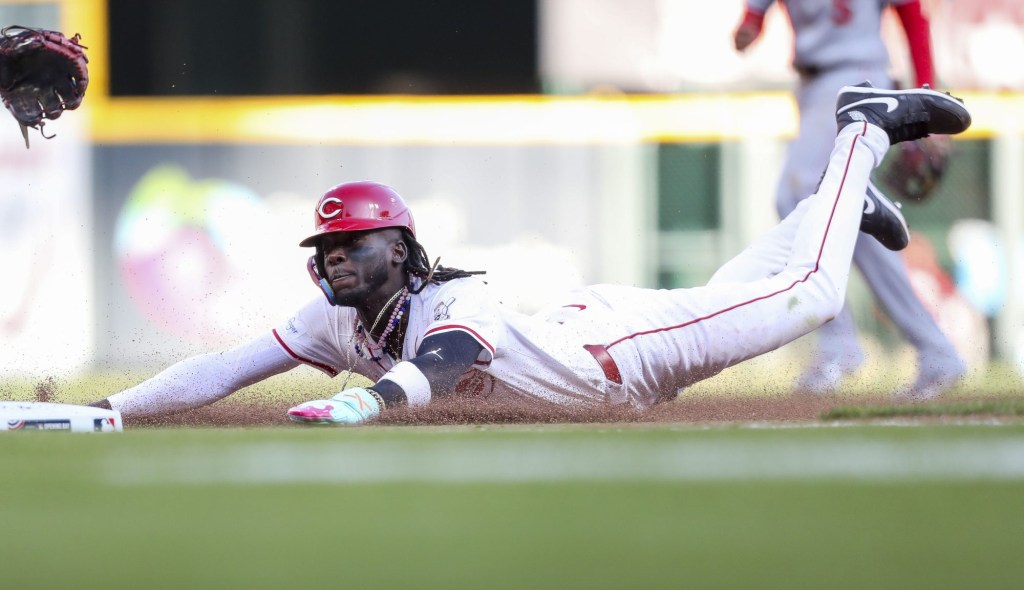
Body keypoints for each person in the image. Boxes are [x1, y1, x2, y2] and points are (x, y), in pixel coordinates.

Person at [90, 84, 972, 425]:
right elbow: (223, 366)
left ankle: (858, 134)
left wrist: (363, 408)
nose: (334, 260)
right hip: (598, 347)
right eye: (325, 247)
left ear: (397, 246)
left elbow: (445, 359)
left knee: (808, 299)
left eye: (350, 244)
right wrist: (115, 408)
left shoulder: (451, 300)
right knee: (740, 292)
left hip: (629, 350)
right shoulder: (335, 319)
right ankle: (838, 205)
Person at [732, 0, 967, 400]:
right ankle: (932, 350)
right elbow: (750, 23)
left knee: (800, 194)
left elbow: (911, 14)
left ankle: (840, 346)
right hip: (810, 87)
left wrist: (925, 96)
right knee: (848, 216)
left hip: (858, 76)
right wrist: (749, 27)